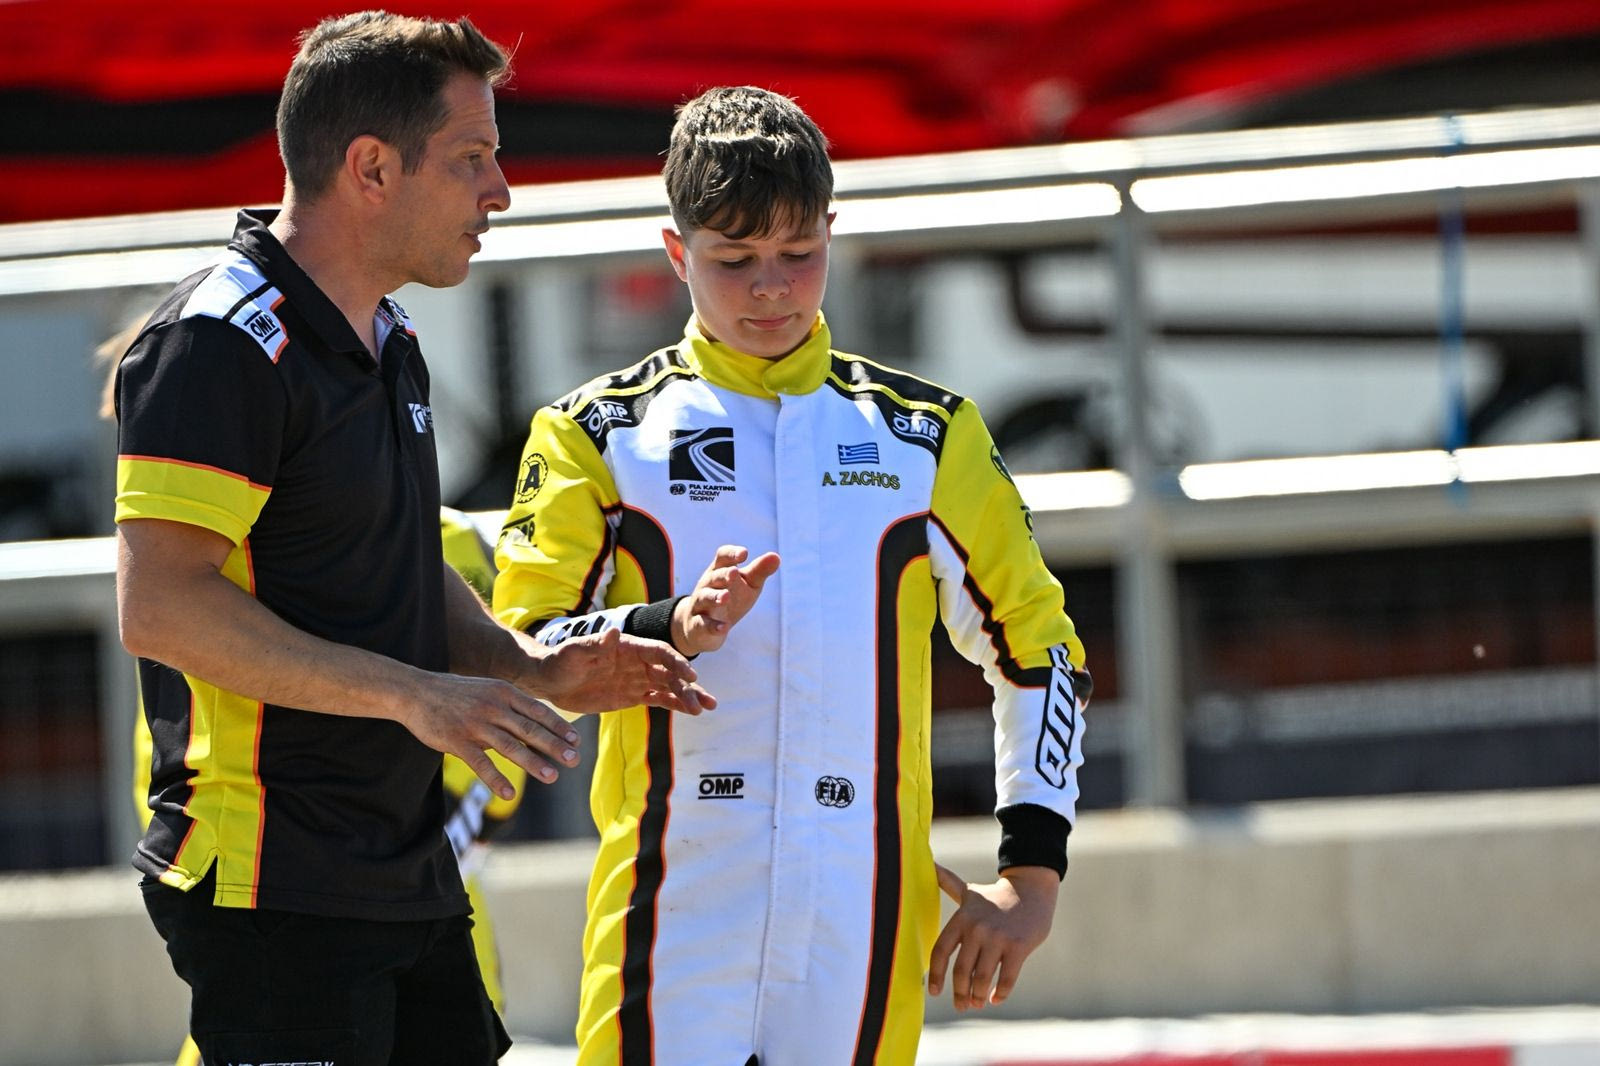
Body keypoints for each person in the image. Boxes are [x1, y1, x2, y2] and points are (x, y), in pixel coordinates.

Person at [112, 13, 710, 1066]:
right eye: (472, 157)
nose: (501, 190)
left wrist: (530, 665)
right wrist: (412, 694)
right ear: (372, 168)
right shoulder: (212, 344)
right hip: (271, 885)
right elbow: (161, 608)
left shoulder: (388, 334)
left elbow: (393, 561)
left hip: (401, 867)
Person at [492, 85, 1091, 1065]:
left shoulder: (926, 434)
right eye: (734, 260)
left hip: (863, 901)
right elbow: (515, 647)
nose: (770, 287)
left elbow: (1041, 651)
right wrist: (666, 624)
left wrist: (1033, 874)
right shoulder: (595, 433)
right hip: (675, 895)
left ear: (832, 236)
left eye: (798, 252)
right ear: (676, 252)